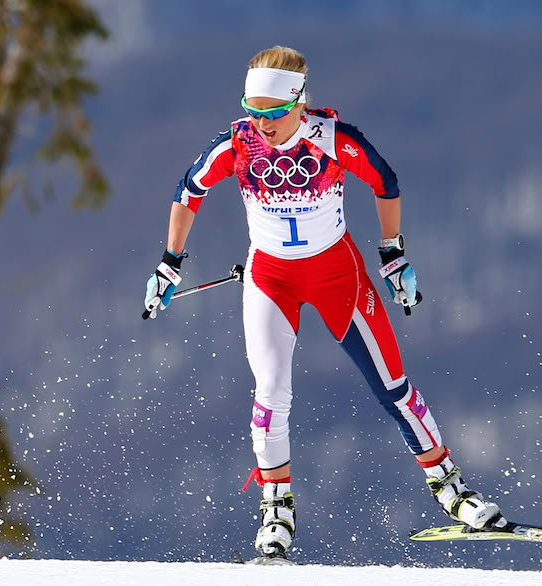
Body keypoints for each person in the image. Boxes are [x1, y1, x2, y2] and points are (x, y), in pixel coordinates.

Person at [145, 46, 509, 560]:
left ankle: (452, 492)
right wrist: (169, 263)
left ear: (298, 102)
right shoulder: (237, 143)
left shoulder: (333, 139)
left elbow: (386, 183)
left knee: (392, 385)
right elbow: (188, 191)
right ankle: (277, 512)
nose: (263, 125)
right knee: (270, 393)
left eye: (273, 113)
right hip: (271, 277)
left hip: (337, 275)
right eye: (253, 112)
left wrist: (392, 253)